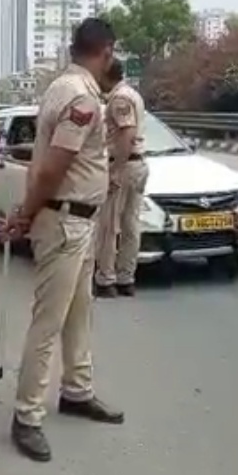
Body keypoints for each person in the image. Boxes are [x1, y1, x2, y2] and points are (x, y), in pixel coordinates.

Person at [5, 18, 126, 463]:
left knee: (78, 312)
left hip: (77, 220)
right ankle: (27, 415)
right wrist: (25, 214)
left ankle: (77, 390)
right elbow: (55, 167)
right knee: (49, 320)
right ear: (107, 51)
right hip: (65, 220)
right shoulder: (82, 98)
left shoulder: (63, 86)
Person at [94, 59, 149, 298]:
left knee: (108, 226)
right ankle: (127, 277)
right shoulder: (133, 94)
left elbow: (126, 133)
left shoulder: (119, 99)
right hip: (138, 164)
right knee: (130, 225)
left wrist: (115, 170)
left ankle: (106, 279)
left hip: (124, 165)